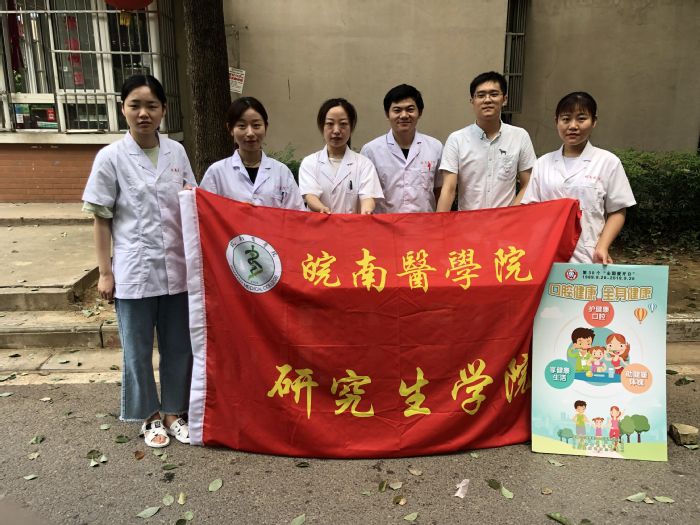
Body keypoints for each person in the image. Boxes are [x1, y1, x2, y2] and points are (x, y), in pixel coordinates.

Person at [82, 75, 195, 448]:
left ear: (164, 110)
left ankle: (174, 412)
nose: (143, 113)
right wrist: (105, 272)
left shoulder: (176, 153)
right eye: (135, 105)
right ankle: (149, 416)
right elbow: (101, 218)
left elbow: (192, 203)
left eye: (151, 106)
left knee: (179, 346)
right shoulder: (110, 157)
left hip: (177, 267)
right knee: (137, 349)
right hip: (134, 269)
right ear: (123, 109)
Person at [521, 92, 636, 263]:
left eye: (581, 119)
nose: (573, 126)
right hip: (546, 254)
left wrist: (603, 246)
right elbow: (531, 211)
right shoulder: (542, 163)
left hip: (588, 254)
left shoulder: (608, 162)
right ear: (556, 121)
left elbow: (617, 210)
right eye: (566, 119)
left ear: (594, 121)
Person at [436, 71, 536, 212]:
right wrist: (440, 223)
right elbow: (449, 189)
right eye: (481, 95)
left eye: (494, 94)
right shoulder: (457, 139)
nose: (487, 100)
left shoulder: (520, 136)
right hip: (468, 221)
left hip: (506, 221)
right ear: (472, 101)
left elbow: (528, 184)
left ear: (504, 99)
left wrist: (510, 215)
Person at [200, 97, 305, 210]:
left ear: (266, 127)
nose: (250, 133)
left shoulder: (281, 172)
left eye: (256, 125)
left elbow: (296, 214)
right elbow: (204, 212)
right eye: (242, 126)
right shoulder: (217, 172)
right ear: (230, 129)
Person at [360, 84, 442, 213]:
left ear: (420, 112)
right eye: (397, 110)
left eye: (410, 109)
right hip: (385, 223)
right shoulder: (370, 151)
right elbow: (365, 194)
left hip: (424, 222)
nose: (404, 115)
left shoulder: (435, 147)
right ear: (387, 114)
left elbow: (439, 190)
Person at [299, 98, 383, 214]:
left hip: (353, 225)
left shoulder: (364, 164)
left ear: (351, 127)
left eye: (343, 124)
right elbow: (310, 195)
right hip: (321, 223)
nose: (336, 130)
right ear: (322, 126)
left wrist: (367, 211)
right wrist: (322, 209)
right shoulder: (310, 162)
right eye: (330, 124)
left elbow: (368, 196)